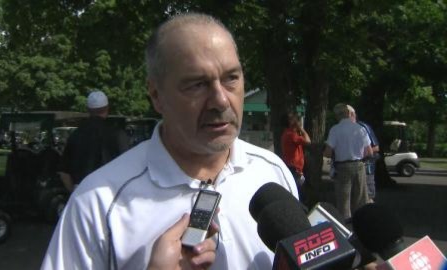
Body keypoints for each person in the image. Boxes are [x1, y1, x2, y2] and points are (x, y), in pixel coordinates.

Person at [41, 13, 297, 270]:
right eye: (197, 84)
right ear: (156, 95)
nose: (220, 100)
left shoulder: (272, 172)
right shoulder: (97, 202)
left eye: (231, 78)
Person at [58, 90, 131, 192]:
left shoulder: (75, 135)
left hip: (82, 192)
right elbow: (128, 167)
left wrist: (75, 193)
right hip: (111, 192)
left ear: (88, 110)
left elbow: (64, 173)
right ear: (107, 108)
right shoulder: (118, 134)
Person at [323, 103, 372, 219]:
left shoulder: (335, 129)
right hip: (359, 165)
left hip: (343, 167)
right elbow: (369, 152)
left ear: (337, 116)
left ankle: (345, 227)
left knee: (343, 201)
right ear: (349, 113)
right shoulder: (360, 128)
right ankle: (362, 223)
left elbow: (328, 153)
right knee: (360, 199)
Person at [347, 105, 380, 202]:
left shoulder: (363, 127)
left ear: (352, 115)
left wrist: (358, 155)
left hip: (366, 168)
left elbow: (376, 147)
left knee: (367, 197)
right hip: (350, 169)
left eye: (344, 115)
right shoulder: (343, 129)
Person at [280, 113, 311, 192]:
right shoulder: (291, 135)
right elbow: (308, 141)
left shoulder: (287, 133)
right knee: (297, 191)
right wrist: (301, 129)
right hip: (294, 168)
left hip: (291, 166)